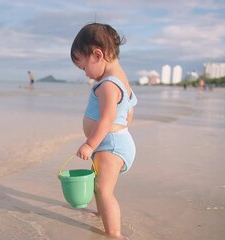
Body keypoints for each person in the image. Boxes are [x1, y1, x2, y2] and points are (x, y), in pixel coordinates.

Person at [70, 23, 137, 239]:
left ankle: (114, 234)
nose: (86, 74)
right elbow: (129, 111)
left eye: (83, 67)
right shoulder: (123, 82)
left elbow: (107, 118)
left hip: (110, 144)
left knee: (103, 189)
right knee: (99, 183)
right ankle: (101, 212)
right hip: (115, 141)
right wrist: (121, 131)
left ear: (97, 55)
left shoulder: (108, 84)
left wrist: (90, 144)